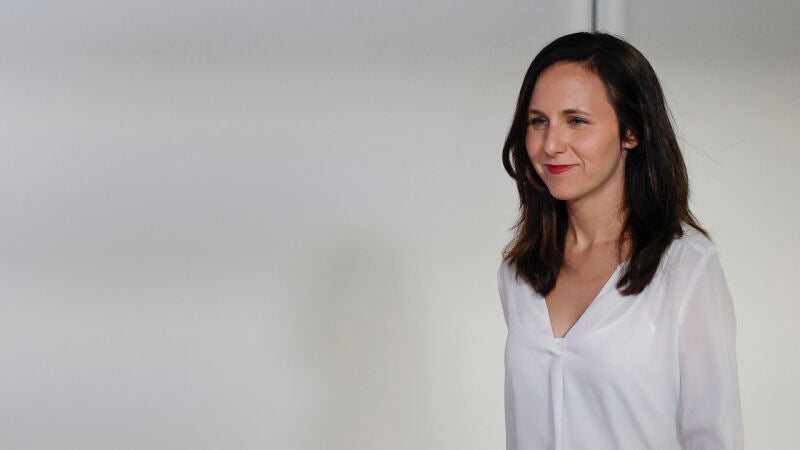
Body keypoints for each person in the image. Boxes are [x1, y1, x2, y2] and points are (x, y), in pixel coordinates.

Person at [497, 32, 744, 450]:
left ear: (632, 132)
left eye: (576, 121)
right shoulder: (519, 272)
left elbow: (714, 437)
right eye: (538, 121)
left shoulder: (685, 268)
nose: (551, 145)